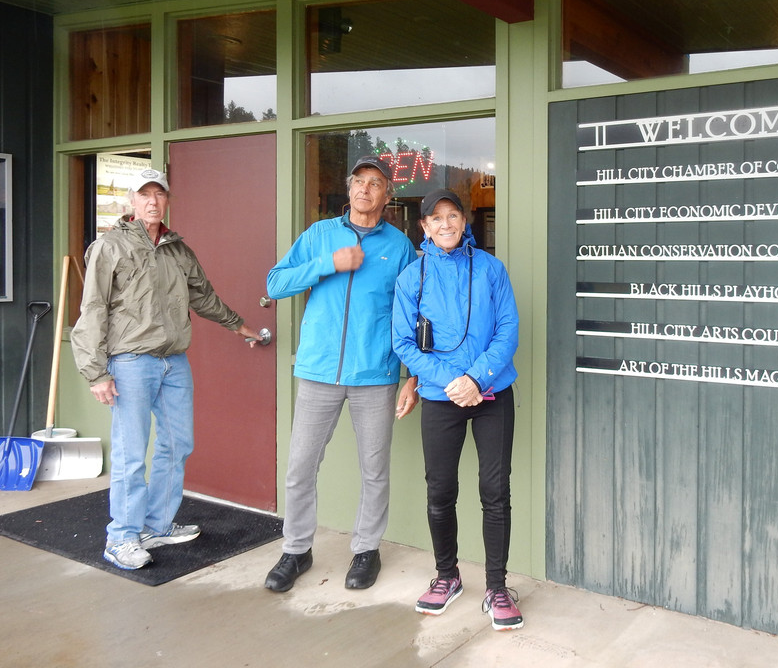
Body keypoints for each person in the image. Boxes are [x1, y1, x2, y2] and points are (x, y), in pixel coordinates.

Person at [70, 168, 262, 571]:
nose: (153, 201)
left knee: (177, 445)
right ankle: (121, 536)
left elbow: (203, 297)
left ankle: (155, 525)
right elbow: (92, 311)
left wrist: (239, 325)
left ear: (167, 200)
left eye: (159, 194)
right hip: (130, 363)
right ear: (131, 202)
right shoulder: (110, 247)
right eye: (145, 195)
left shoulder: (178, 250)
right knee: (130, 454)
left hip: (173, 362)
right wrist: (96, 372)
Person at [263, 155, 418, 593]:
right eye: (359, 182)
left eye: (376, 183)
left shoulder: (400, 246)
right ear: (349, 190)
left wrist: (412, 374)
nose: (366, 189)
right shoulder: (319, 235)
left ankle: (367, 549)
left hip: (376, 374)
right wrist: (329, 263)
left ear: (387, 196)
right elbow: (275, 284)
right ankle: (296, 550)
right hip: (318, 371)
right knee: (300, 467)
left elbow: (410, 313)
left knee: (374, 469)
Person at [391, 188, 522, 631]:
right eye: (435, 218)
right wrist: (451, 382)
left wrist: (476, 378)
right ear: (423, 227)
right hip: (440, 396)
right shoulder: (413, 277)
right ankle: (447, 576)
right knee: (440, 491)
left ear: (464, 222)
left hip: (491, 394)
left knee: (495, 492)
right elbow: (403, 342)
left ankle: (497, 587)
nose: (445, 224)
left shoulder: (490, 269)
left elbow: (508, 329)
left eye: (453, 216)